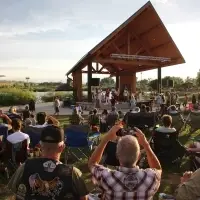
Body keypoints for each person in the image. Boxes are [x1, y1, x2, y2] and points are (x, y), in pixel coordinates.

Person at [8, 125, 88, 200]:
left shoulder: (24, 167)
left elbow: (12, 194)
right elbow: (84, 198)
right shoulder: (72, 173)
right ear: (62, 147)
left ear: (40, 145)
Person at [88, 125, 162, 200]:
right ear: (139, 156)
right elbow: (157, 168)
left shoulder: (106, 177)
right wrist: (146, 145)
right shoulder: (151, 177)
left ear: (117, 156)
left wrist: (105, 139)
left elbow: (92, 163)